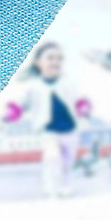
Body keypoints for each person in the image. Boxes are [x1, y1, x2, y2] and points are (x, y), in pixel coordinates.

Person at [19, 42, 80, 197]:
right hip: (48, 130)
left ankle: (66, 186)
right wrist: (13, 112)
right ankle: (50, 186)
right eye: (50, 58)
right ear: (38, 62)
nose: (55, 62)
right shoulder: (34, 86)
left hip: (70, 128)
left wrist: (84, 108)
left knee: (67, 161)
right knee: (52, 157)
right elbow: (22, 105)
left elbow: (78, 100)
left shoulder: (68, 82)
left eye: (59, 58)